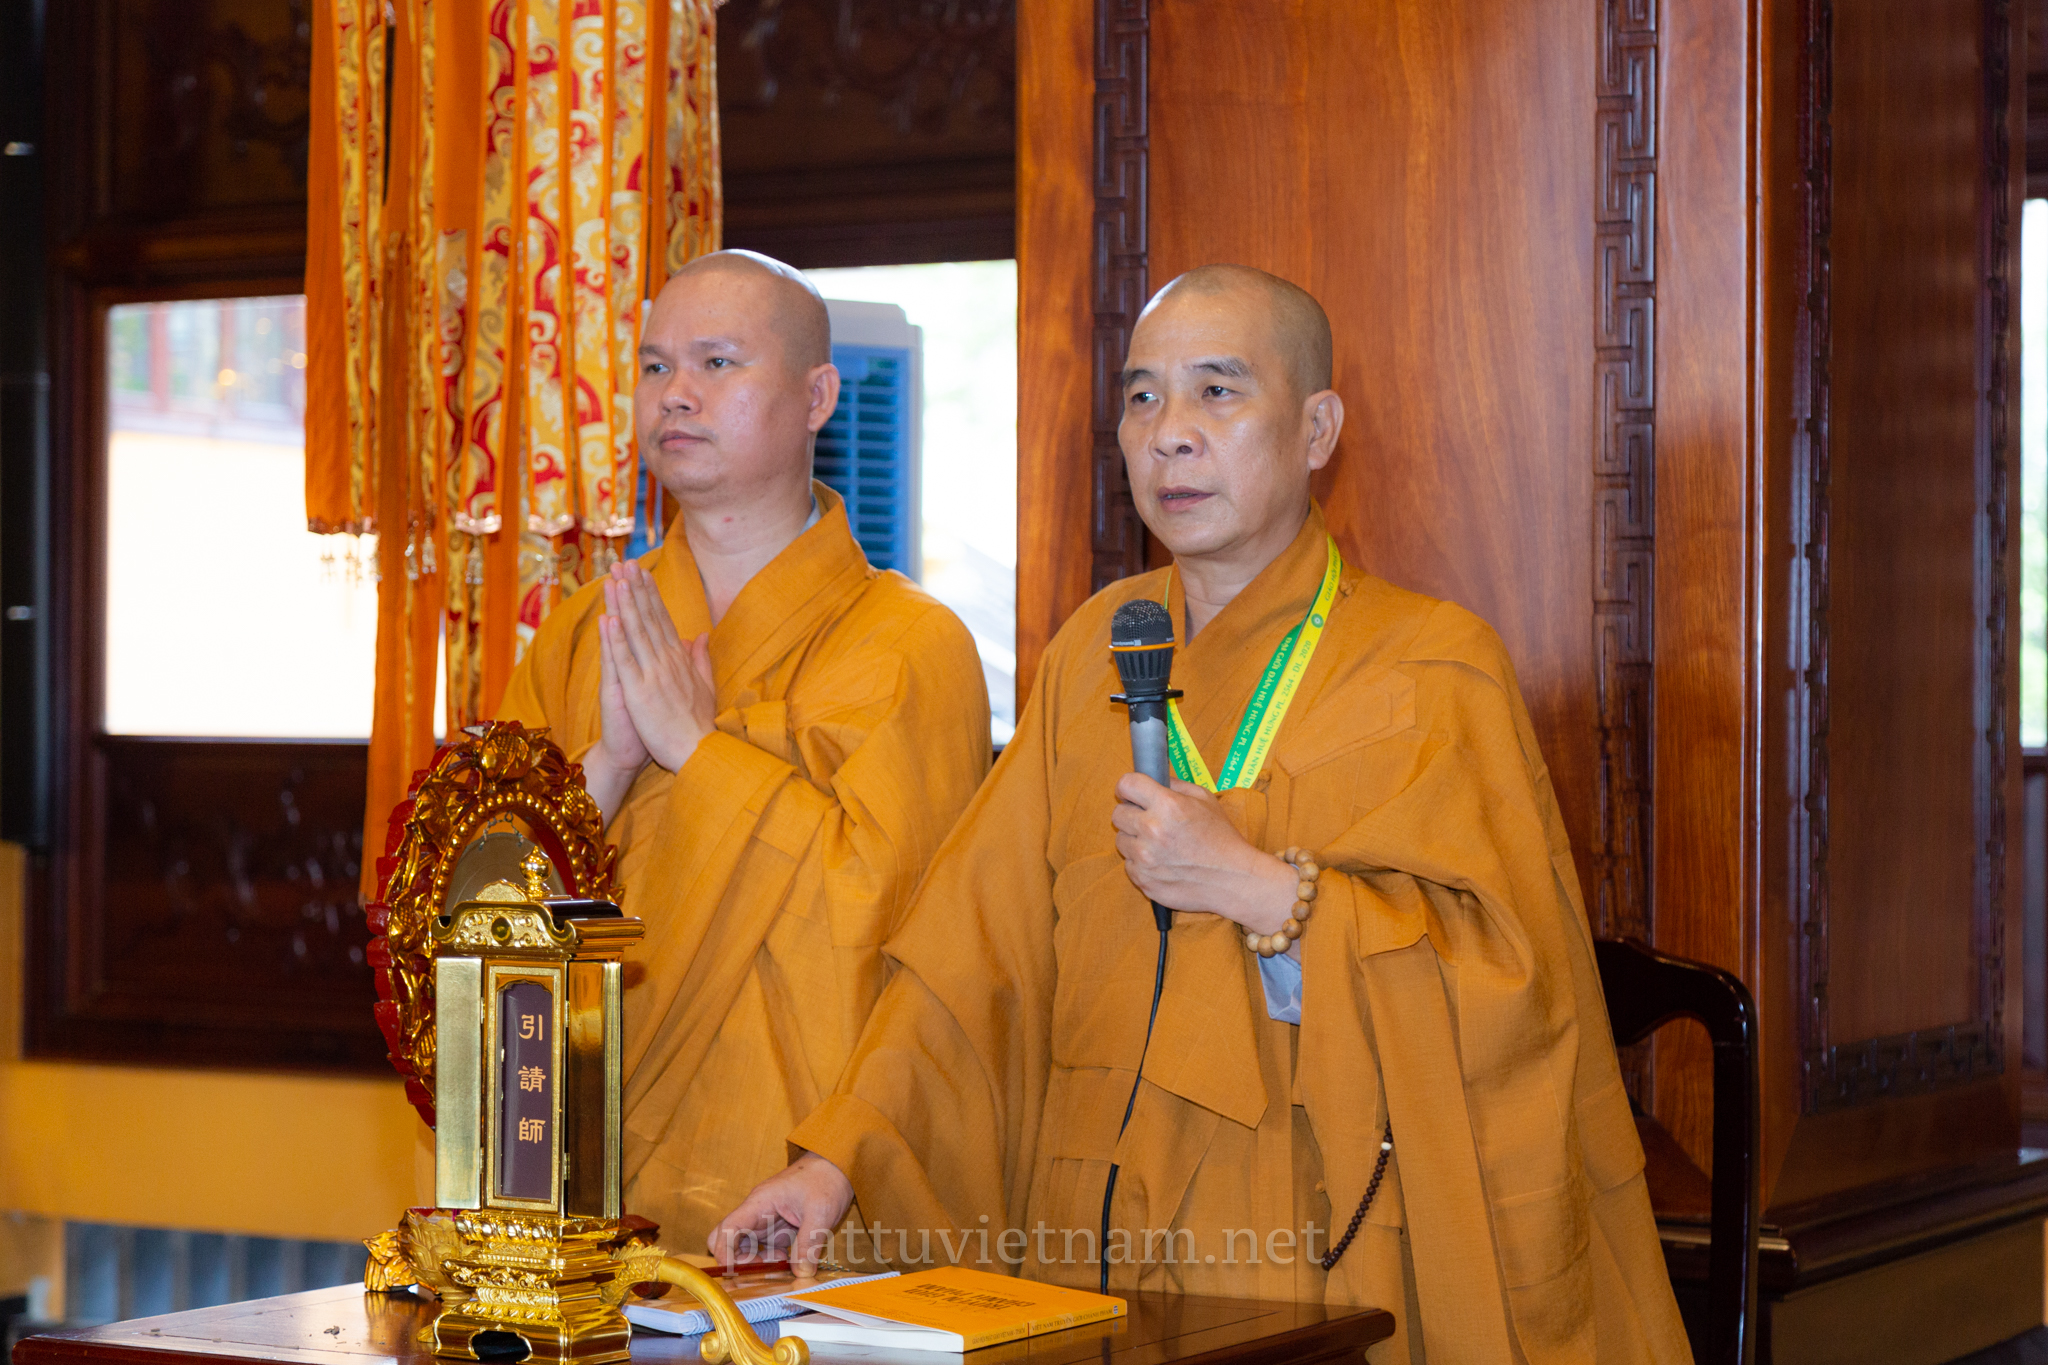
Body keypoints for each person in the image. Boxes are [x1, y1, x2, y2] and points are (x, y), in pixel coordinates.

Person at [711, 265, 1691, 1362]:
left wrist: (1267, 893)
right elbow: (970, 958)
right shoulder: (1092, 652)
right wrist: (836, 1162)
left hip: (1321, 1242)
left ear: (1316, 429)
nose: (1168, 433)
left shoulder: (1428, 669)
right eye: (1142, 397)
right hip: (1085, 1237)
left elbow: (1518, 994)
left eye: (1217, 392)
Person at [497, 249, 992, 1253]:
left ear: (817, 396)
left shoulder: (911, 648)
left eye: (717, 363)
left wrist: (697, 749)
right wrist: (610, 767)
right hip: (578, 1184)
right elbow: (482, 917)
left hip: (801, 1189)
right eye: (654, 366)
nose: (675, 393)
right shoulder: (584, 632)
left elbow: (914, 941)